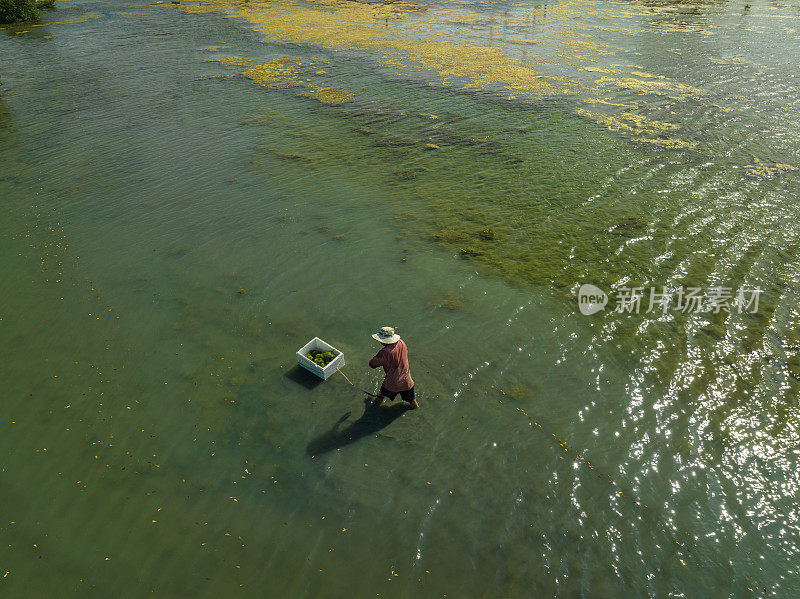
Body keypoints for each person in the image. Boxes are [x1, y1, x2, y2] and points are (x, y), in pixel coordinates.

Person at [368, 326, 418, 409]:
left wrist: (376, 357)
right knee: (412, 401)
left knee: (380, 396)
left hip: (392, 383)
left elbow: (372, 364)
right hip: (407, 381)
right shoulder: (402, 343)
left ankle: (371, 410)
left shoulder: (384, 352)